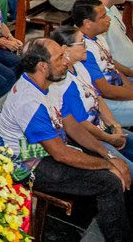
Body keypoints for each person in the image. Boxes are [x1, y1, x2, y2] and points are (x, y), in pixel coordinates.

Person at [0, 37, 133, 242]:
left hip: (52, 150)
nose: (66, 61)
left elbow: (72, 126)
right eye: (60, 57)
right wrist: (107, 165)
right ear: (43, 66)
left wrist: (107, 154)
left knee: (119, 164)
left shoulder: (50, 84)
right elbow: (60, 154)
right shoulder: (28, 101)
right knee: (110, 182)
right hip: (30, 167)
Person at [50, 25, 133, 173]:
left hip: (104, 128)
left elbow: (98, 98)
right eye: (81, 42)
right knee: (127, 169)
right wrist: (108, 138)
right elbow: (81, 124)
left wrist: (115, 125)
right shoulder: (62, 81)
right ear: (65, 49)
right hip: (90, 139)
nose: (86, 46)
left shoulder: (80, 66)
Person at [72, 0, 133, 127]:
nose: (109, 19)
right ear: (88, 22)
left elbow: (112, 68)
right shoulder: (83, 50)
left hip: (117, 91)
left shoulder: (98, 37)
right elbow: (106, 91)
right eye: (103, 16)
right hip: (107, 103)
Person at [94, 0, 133, 71]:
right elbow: (105, 58)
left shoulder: (112, 7)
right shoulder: (96, 18)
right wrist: (129, 73)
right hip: (125, 72)